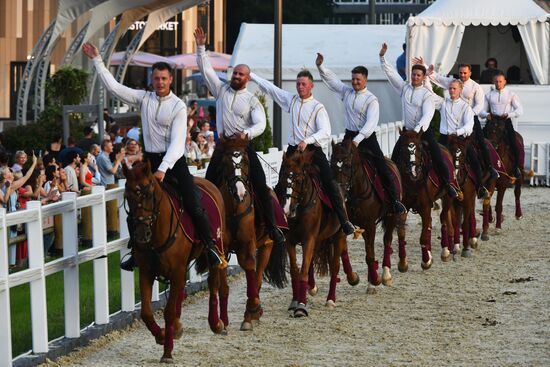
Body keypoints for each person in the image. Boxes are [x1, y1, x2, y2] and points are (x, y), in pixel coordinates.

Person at [83, 41, 223, 270]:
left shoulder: (178, 106)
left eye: (164, 79)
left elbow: (178, 143)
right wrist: (98, 60)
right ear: (152, 80)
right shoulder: (144, 98)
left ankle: (210, 247)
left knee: (194, 204)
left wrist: (163, 168)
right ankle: (135, 251)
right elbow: (115, 88)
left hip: (173, 162)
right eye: (156, 78)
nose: (160, 82)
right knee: (135, 203)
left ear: (170, 80)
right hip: (149, 161)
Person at [195, 27, 286, 246]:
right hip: (222, 149)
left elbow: (261, 124)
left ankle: (272, 227)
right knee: (208, 185)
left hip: (244, 148)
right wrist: (201, 48)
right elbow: (207, 71)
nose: (236, 76)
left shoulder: (252, 100)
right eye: (234, 73)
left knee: (261, 183)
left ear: (247, 78)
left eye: (240, 74)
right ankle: (205, 232)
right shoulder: (221, 90)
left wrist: (247, 133)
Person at [250, 68, 355, 235]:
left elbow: (325, 131)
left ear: (311, 86)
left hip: (313, 150)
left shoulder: (318, 107)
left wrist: (307, 141)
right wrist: (252, 75)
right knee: (280, 184)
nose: (300, 87)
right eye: (298, 84)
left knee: (329, 182)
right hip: (293, 150)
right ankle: (273, 224)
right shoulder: (291, 100)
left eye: (303, 84)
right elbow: (271, 89)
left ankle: (344, 221)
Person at [316, 52, 406, 214]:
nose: (354, 82)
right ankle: (332, 200)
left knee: (382, 167)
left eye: (358, 79)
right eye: (353, 79)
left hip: (366, 138)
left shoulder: (372, 100)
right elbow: (333, 81)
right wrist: (321, 66)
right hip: (349, 136)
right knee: (336, 164)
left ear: (365, 80)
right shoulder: (347, 92)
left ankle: (394, 201)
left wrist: (356, 141)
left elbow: (370, 124)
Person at [379, 43, 457, 198]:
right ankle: (392, 192)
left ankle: (448, 184)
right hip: (407, 133)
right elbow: (391, 74)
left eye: (418, 75)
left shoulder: (427, 94)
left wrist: (418, 130)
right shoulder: (404, 88)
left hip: (422, 132)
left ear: (422, 77)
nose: (415, 77)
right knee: (394, 159)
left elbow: (428, 115)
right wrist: (382, 58)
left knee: (437, 154)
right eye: (413, 74)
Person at [414, 59, 499, 180]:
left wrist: (467, 115)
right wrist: (424, 67)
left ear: (470, 73)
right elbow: (437, 78)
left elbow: (479, 106)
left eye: (465, 73)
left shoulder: (476, 87)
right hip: (451, 122)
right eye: (461, 73)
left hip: (470, 118)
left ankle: (490, 168)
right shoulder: (453, 82)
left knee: (481, 143)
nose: (463, 75)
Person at [430, 79, 489, 199]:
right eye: (450, 88)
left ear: (460, 90)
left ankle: (480, 187)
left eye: (454, 88)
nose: (451, 90)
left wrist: (458, 132)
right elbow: (430, 95)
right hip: (444, 139)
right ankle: (434, 190)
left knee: (474, 159)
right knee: (432, 159)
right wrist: (426, 77)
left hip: (460, 139)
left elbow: (469, 126)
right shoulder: (443, 103)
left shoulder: (465, 106)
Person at [479, 71, 524, 178]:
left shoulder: (511, 94)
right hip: (492, 122)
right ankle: (482, 167)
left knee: (514, 142)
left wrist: (509, 114)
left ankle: (517, 167)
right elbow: (481, 111)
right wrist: (486, 114)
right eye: (496, 81)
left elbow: (520, 110)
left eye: (500, 81)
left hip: (505, 121)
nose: (498, 83)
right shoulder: (489, 95)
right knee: (480, 141)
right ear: (493, 82)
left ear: (504, 82)